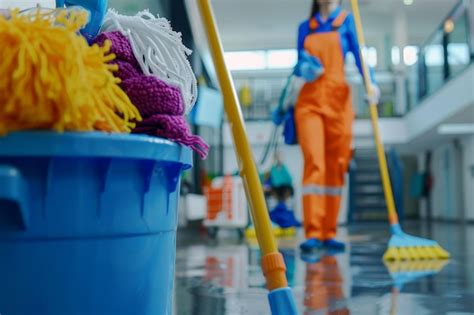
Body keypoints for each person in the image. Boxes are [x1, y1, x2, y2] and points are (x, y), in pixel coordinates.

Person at [295, 0, 380, 251]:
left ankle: (328, 231)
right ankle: (313, 231)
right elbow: (298, 63)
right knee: (315, 161)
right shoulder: (306, 27)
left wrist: (371, 84)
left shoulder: (346, 22)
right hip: (310, 102)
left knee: (336, 165)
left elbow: (360, 58)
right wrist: (304, 67)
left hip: (339, 103)